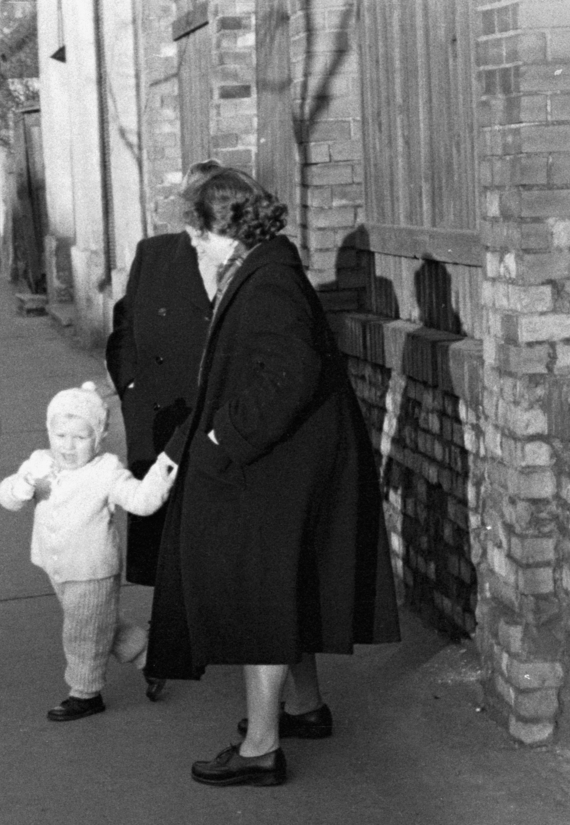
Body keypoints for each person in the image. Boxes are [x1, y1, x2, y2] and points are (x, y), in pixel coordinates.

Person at [144, 169, 401, 787]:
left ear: (224, 230)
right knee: (288, 582)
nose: (194, 247)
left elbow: (290, 374)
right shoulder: (265, 268)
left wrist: (220, 438)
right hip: (294, 460)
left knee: (260, 594)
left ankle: (261, 747)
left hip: (278, 464)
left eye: (199, 236)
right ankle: (304, 707)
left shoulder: (267, 282)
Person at [0, 382, 178, 722]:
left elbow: (141, 501)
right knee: (99, 623)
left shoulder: (106, 471)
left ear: (98, 438)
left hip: (93, 569)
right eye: (60, 435)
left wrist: (159, 476)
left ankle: (85, 692)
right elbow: (6, 498)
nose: (68, 446)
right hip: (57, 567)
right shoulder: (40, 463)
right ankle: (151, 657)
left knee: (82, 633)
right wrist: (20, 487)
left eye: (80, 438)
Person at [105, 159, 223, 587]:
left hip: (216, 417)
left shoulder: (237, 261)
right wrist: (131, 388)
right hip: (159, 415)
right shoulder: (154, 255)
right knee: (163, 539)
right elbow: (125, 329)